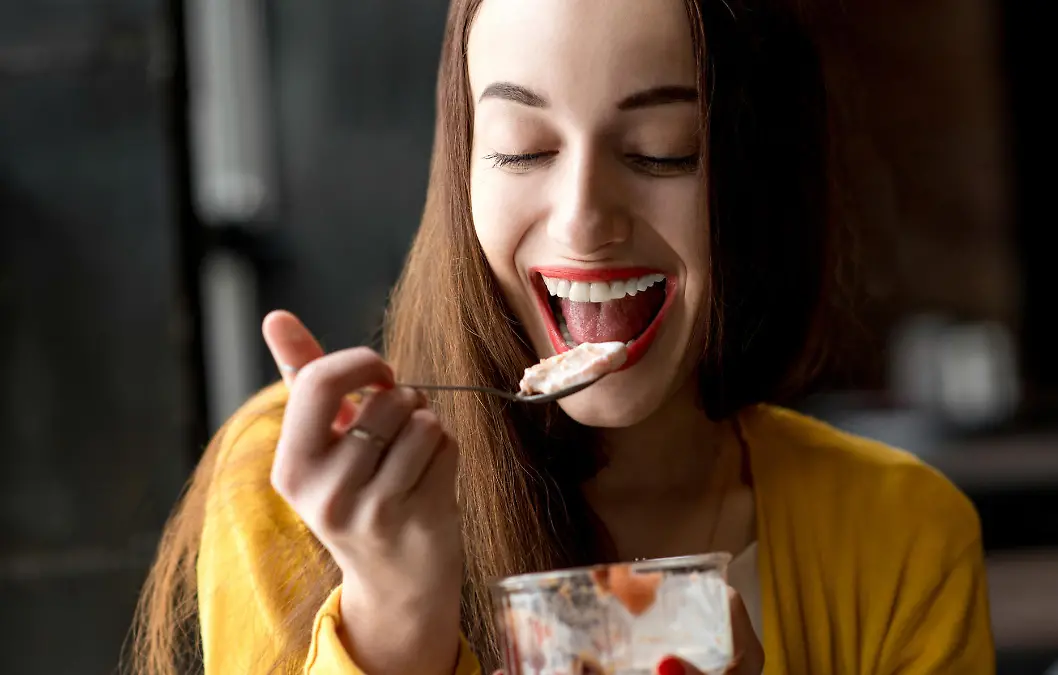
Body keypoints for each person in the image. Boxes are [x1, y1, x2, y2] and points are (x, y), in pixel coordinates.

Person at [132, 0, 995, 673]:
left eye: (664, 149)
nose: (584, 220)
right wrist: (390, 624)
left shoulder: (901, 534)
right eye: (520, 148)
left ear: (760, 181)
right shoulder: (301, 492)